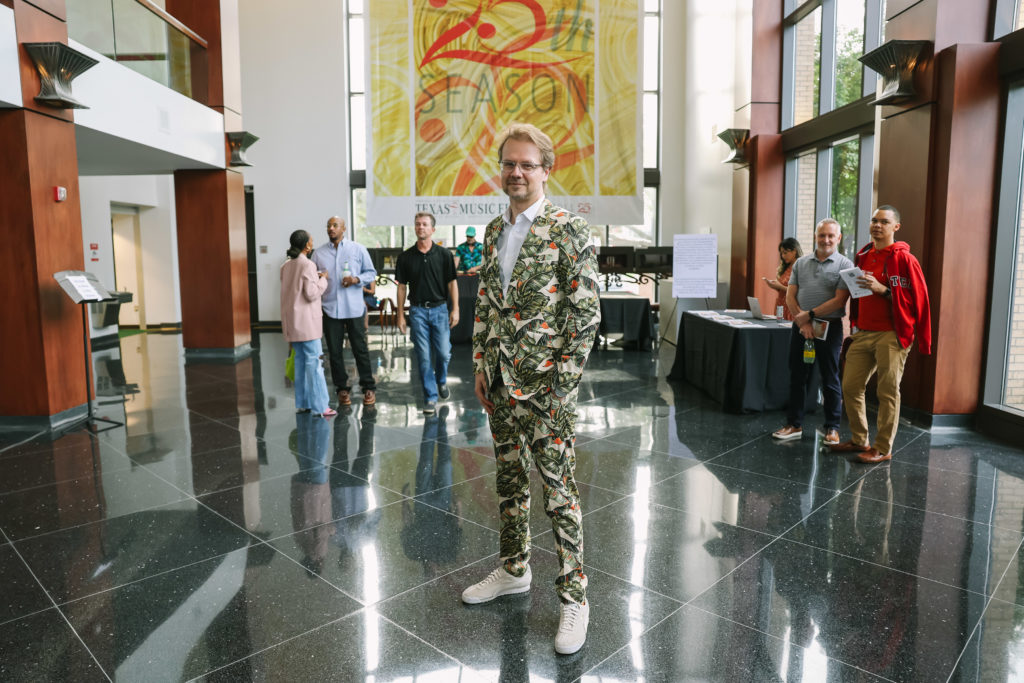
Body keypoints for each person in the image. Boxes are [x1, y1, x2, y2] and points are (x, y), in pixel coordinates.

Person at [462, 122, 600, 656]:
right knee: (510, 482)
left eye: (526, 164)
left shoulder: (569, 230)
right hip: (499, 383)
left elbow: (585, 316)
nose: (516, 172)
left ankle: (574, 597)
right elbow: (486, 302)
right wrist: (481, 362)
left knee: (559, 493)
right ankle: (514, 569)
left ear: (546, 170)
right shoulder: (494, 231)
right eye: (509, 163)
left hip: (547, 389)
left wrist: (560, 387)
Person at [831, 206, 931, 463]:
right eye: (874, 220)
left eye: (884, 221)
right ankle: (859, 439)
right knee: (850, 386)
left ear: (896, 227)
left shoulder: (905, 260)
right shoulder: (864, 256)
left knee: (888, 392)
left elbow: (918, 302)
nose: (877, 225)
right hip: (863, 332)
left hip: (891, 335)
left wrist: (883, 290)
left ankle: (883, 448)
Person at [771, 219, 852, 445]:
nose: (826, 240)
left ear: (838, 238)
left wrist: (810, 315)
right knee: (797, 377)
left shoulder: (845, 264)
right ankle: (794, 424)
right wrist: (803, 322)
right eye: (821, 235)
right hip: (801, 327)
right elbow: (790, 295)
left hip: (830, 328)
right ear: (816, 236)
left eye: (830, 236)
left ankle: (832, 428)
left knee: (830, 378)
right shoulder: (801, 263)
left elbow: (839, 301)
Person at [395, 212, 459, 415]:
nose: (420, 227)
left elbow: (452, 283)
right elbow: (401, 287)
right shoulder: (405, 257)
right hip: (417, 312)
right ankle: (430, 397)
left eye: (424, 224)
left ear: (433, 229)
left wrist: (456, 308)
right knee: (423, 357)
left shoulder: (444, 255)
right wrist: (400, 315)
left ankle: (441, 380)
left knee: (444, 353)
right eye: (417, 224)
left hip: (440, 310)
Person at [312, 216, 378, 407]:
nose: (331, 228)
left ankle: (368, 388)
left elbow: (371, 273)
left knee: (360, 350)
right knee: (334, 352)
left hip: (354, 308)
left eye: (335, 225)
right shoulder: (319, 253)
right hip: (330, 309)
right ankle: (342, 389)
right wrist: (319, 277)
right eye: (328, 226)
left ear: (344, 228)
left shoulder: (358, 249)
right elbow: (312, 277)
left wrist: (356, 280)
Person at [280, 230, 336, 418]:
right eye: (311, 241)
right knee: (314, 364)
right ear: (307, 245)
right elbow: (311, 294)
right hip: (307, 324)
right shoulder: (308, 265)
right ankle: (321, 407)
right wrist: (323, 279)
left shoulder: (286, 266)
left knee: (300, 363)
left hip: (292, 322)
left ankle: (303, 403)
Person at [763, 237, 802, 321]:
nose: (783, 256)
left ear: (794, 251)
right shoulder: (787, 267)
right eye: (781, 253)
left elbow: (800, 292)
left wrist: (780, 287)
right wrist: (775, 286)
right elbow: (783, 289)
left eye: (785, 253)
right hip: (781, 305)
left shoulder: (800, 267)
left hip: (791, 307)